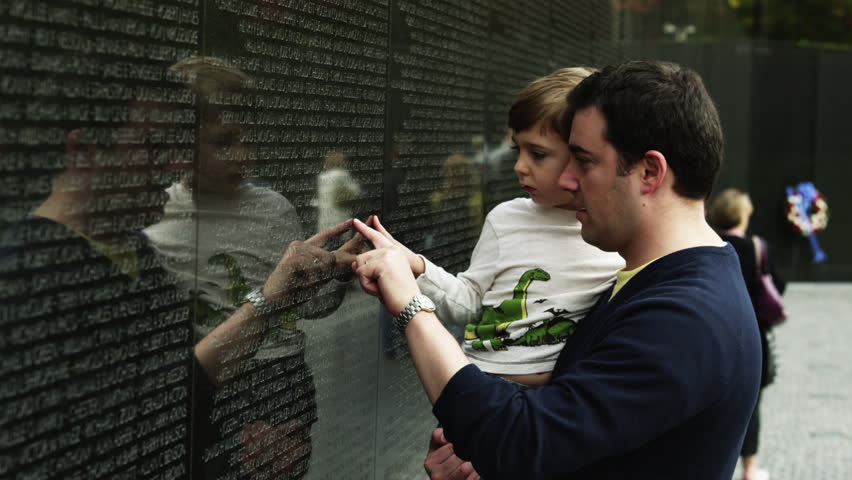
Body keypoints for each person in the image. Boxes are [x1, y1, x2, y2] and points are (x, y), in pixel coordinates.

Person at [351, 60, 761, 479]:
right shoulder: (650, 281)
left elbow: (525, 440)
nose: (566, 181)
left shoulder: (687, 317)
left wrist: (410, 305)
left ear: (649, 172)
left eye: (582, 160)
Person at [364, 67, 623, 388]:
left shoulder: (617, 237)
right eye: (518, 149)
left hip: (552, 403)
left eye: (538, 154)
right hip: (478, 387)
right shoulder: (505, 219)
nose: (519, 166)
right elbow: (469, 301)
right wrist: (414, 265)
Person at [709, 188, 786, 480]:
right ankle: (750, 470)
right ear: (744, 216)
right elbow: (778, 286)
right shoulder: (756, 247)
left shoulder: (710, 244)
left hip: (716, 333)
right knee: (750, 404)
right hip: (752, 333)